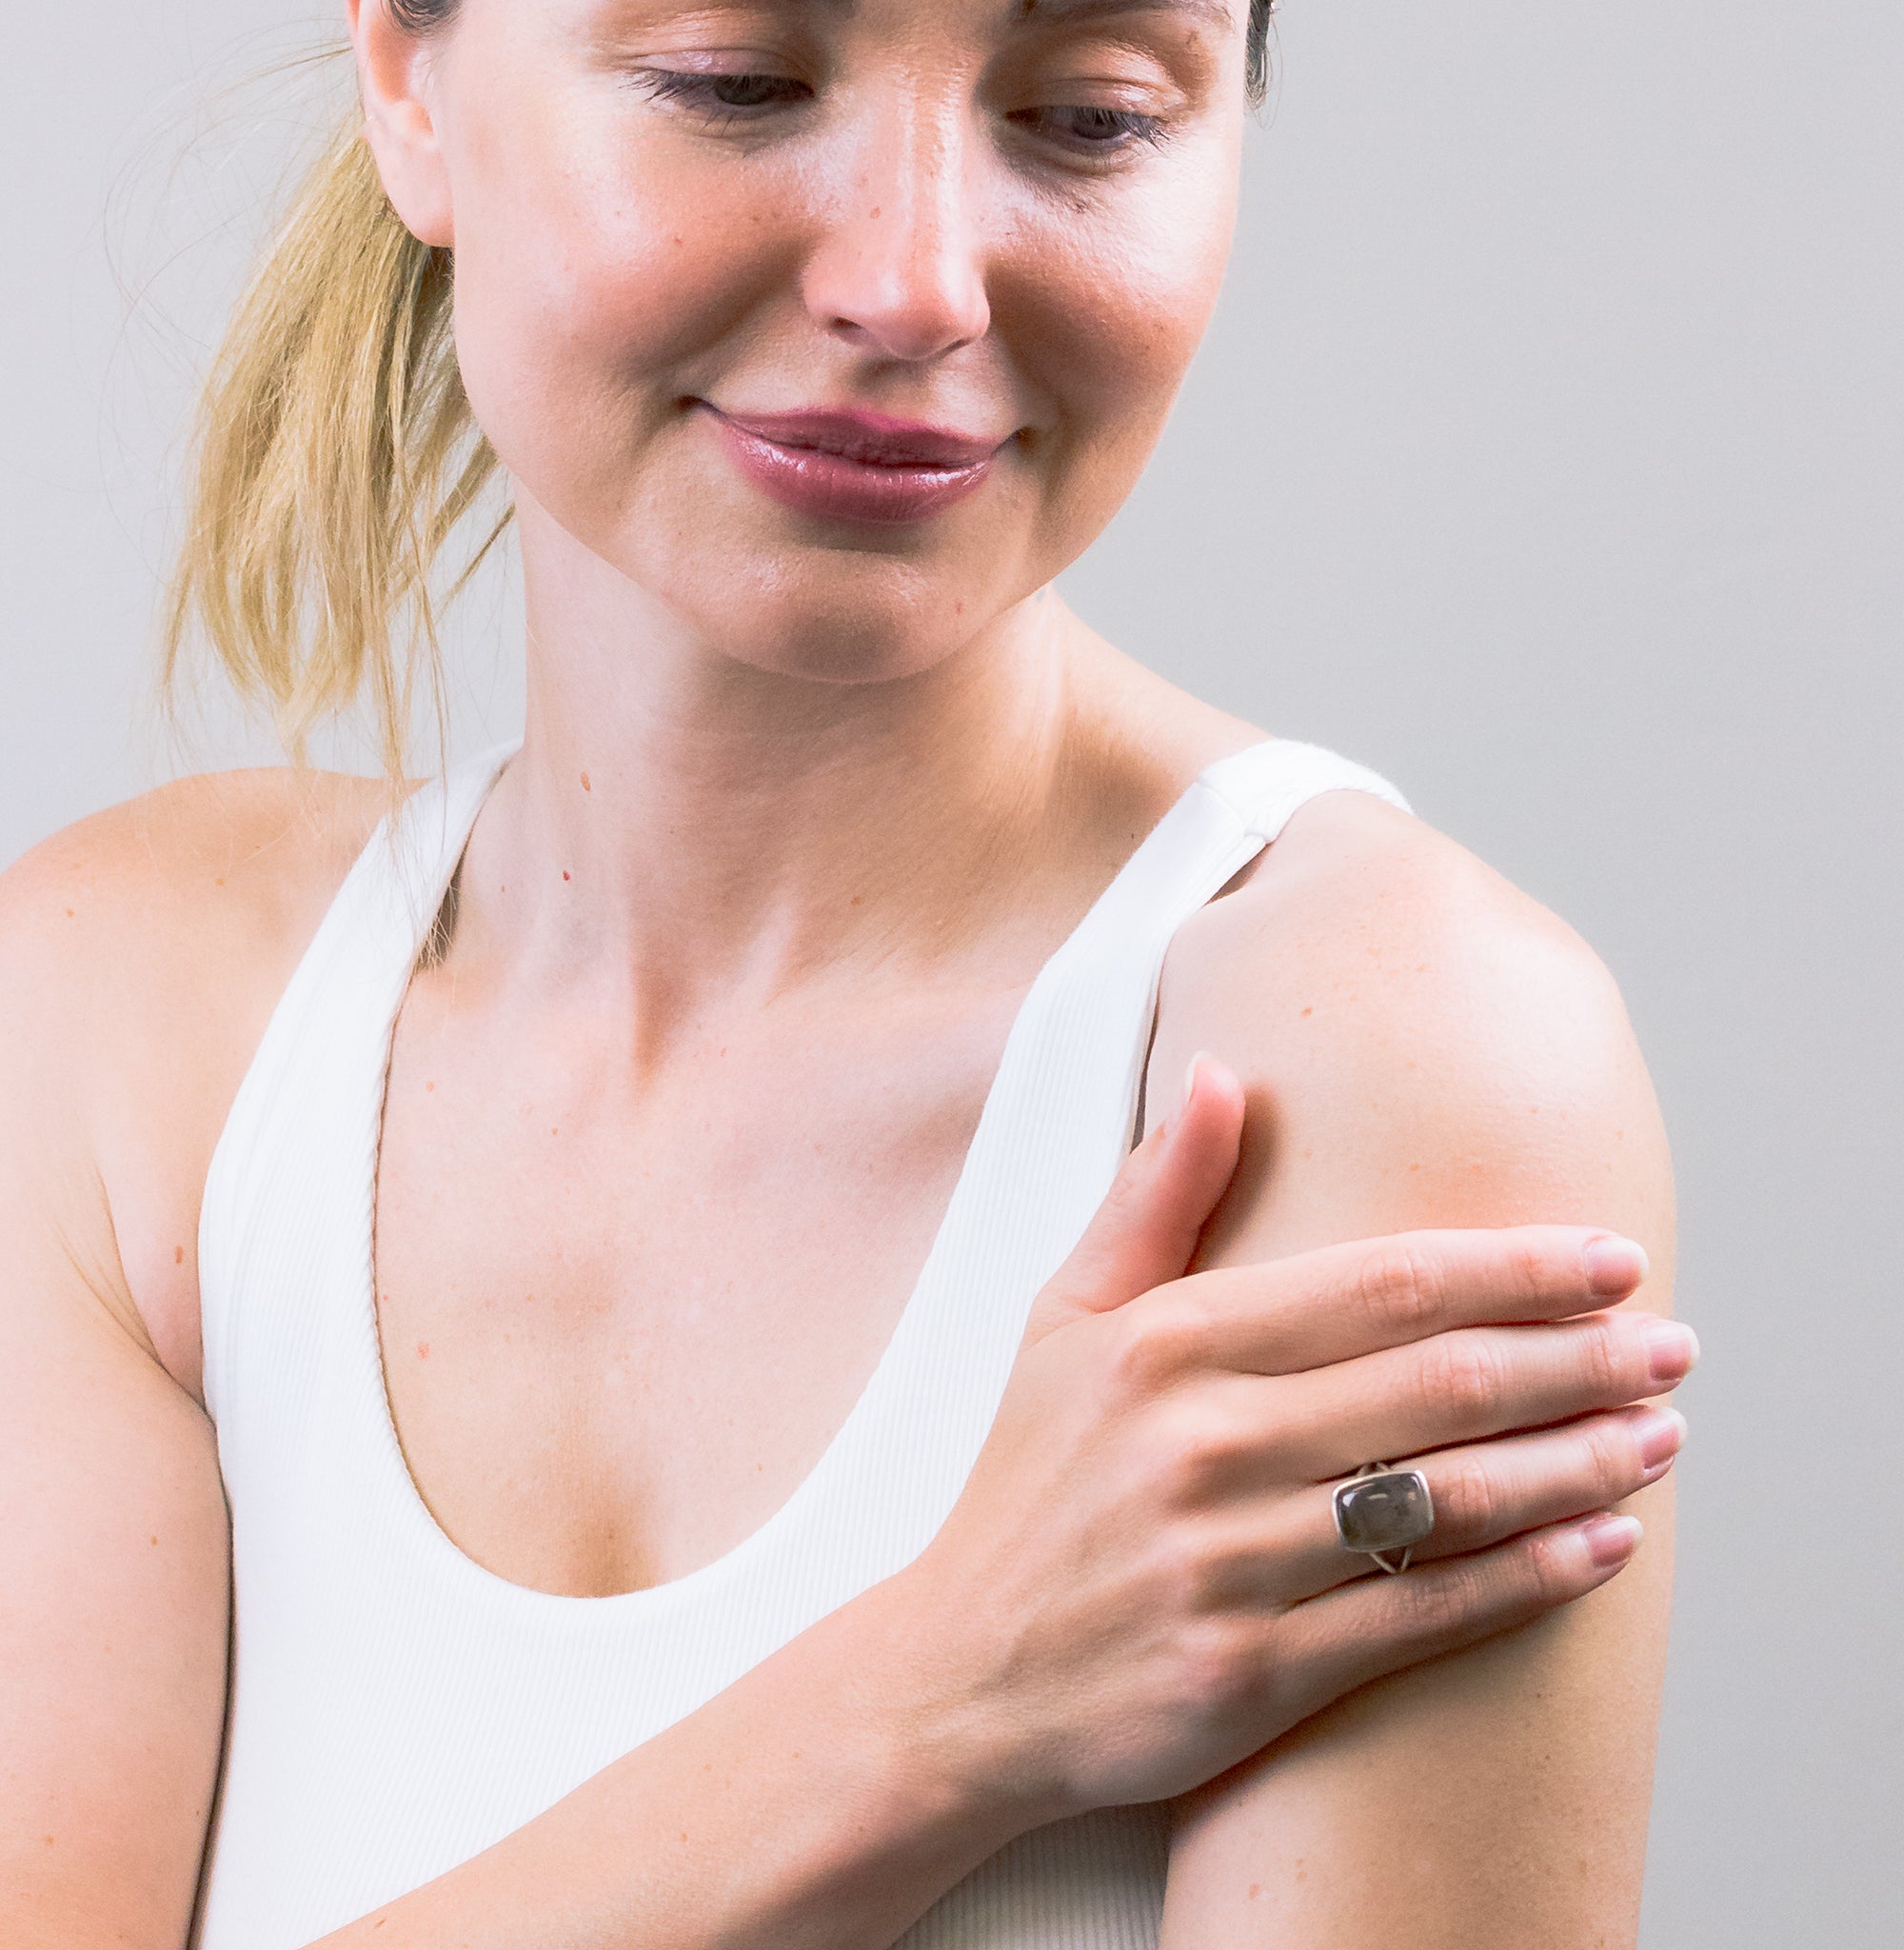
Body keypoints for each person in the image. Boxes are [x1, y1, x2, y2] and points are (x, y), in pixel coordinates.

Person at [0, 0, 1694, 1944]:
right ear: (410, 81)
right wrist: (930, 1706)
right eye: (735, 81)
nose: (911, 282)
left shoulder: (1368, 1050)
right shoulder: (130, 1025)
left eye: (1089, 116)